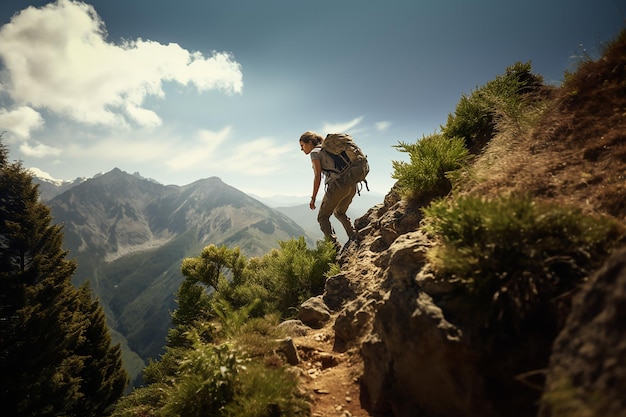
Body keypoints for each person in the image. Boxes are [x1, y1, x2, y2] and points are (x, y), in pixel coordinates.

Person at [299, 131, 356, 248]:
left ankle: (335, 248)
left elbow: (317, 176)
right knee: (339, 213)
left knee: (322, 217)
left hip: (338, 186)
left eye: (302, 145)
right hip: (352, 184)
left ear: (310, 142)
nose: (301, 149)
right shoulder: (328, 149)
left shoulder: (315, 153)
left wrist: (313, 197)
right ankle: (354, 236)